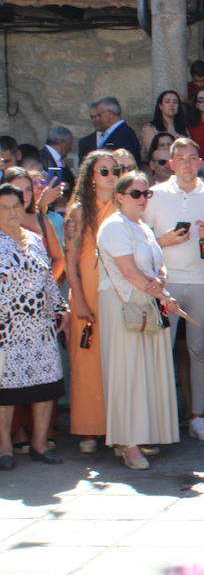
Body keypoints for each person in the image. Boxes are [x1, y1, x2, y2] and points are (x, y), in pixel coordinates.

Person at [96, 172, 182, 470]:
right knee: (127, 371)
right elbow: (129, 271)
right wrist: (160, 291)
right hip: (124, 302)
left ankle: (144, 433)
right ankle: (127, 442)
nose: (143, 198)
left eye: (147, 194)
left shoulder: (143, 227)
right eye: (136, 193)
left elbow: (156, 265)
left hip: (148, 300)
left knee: (148, 370)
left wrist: (161, 283)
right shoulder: (113, 227)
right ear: (120, 197)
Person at [144, 138, 204, 442]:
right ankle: (159, 417)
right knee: (161, 351)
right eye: (181, 158)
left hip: (202, 281)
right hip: (167, 283)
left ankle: (198, 417)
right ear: (170, 163)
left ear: (200, 161)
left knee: (199, 351)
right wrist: (162, 241)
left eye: (193, 157)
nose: (187, 164)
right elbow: (141, 238)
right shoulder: (156, 195)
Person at [0, 182, 67, 470]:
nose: (12, 212)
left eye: (16, 206)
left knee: (45, 387)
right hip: (7, 328)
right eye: (4, 207)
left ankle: (40, 444)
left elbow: (48, 279)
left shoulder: (34, 238)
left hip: (40, 328)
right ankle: (4, 448)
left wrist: (62, 307)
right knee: (5, 394)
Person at [64, 151, 120, 454]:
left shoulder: (124, 207)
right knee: (87, 363)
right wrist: (79, 301)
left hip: (116, 292)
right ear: (91, 177)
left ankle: (117, 427)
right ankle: (88, 429)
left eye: (115, 170)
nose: (111, 176)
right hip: (87, 293)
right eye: (104, 171)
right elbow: (71, 262)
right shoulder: (77, 212)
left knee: (115, 362)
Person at [82, 97, 142, 162]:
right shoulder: (116, 133)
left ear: (110, 114)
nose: (97, 119)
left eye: (99, 115)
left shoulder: (124, 135)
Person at [142, 89, 189, 155]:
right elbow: (151, 153)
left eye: (175, 102)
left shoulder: (184, 129)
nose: (172, 104)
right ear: (160, 106)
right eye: (167, 102)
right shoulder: (150, 128)